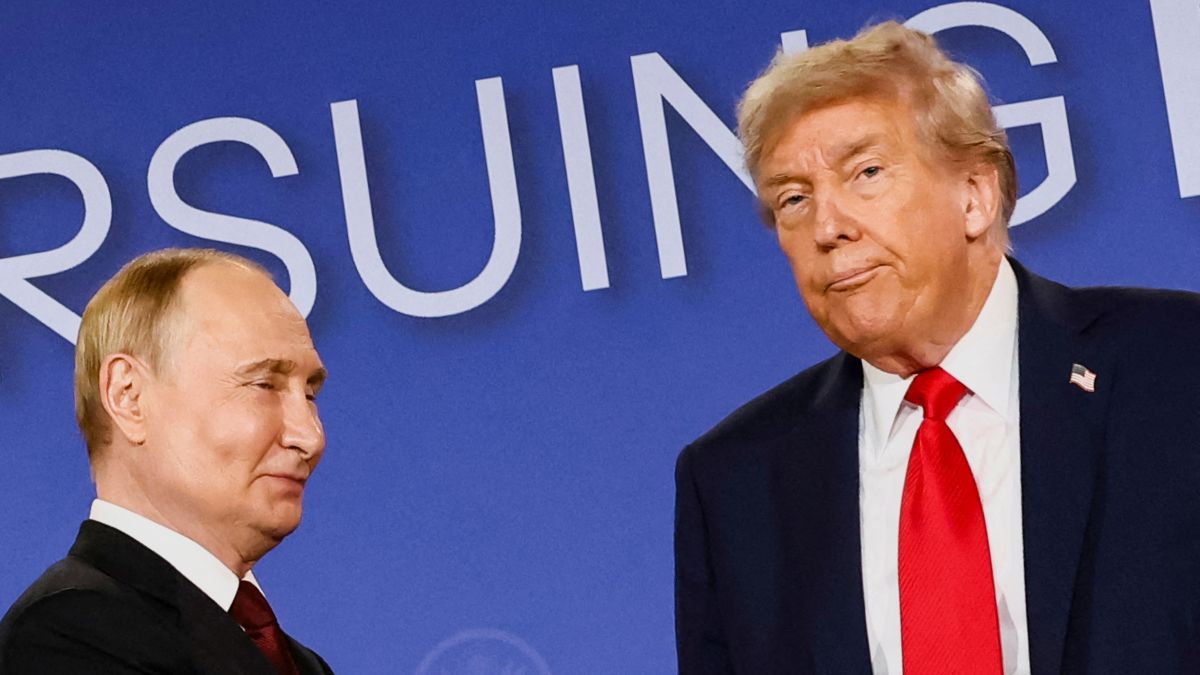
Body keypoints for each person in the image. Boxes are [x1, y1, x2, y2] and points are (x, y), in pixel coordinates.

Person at [674, 21, 1200, 675]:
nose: (827, 226)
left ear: (975, 195)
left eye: (866, 172)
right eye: (794, 199)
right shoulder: (736, 482)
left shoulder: (1176, 367)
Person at [0, 248, 334, 674]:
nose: (309, 436)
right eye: (264, 385)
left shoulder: (302, 663)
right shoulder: (65, 640)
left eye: (310, 394)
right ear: (129, 397)